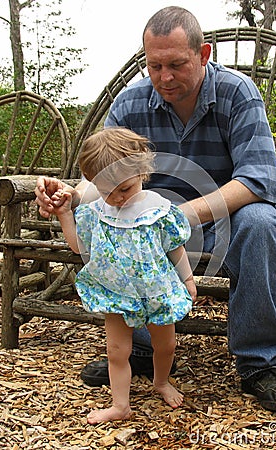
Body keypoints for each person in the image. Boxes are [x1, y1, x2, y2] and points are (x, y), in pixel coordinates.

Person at [35, 6, 276, 413]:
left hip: (225, 219)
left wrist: (170, 217)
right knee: (121, 228)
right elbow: (101, 175)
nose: (165, 77)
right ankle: (141, 348)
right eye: (154, 65)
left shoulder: (238, 93)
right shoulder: (130, 103)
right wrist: (69, 196)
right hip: (146, 219)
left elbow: (257, 180)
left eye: (176, 64)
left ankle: (259, 363)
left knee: (262, 221)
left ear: (203, 54)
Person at [53, 127, 196, 423]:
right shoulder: (97, 211)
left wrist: (187, 279)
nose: (116, 198)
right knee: (117, 351)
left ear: (142, 173)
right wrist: (65, 213)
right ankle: (120, 405)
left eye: (125, 189)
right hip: (116, 292)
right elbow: (79, 246)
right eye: (106, 191)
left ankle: (161, 382)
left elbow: (176, 248)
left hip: (157, 290)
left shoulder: (157, 208)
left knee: (166, 345)